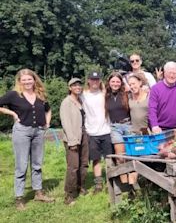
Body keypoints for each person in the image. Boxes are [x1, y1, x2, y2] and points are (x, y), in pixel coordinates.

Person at [0, 68, 54, 210]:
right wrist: (12, 113)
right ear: (19, 81)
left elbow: (48, 110)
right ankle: (19, 197)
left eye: (29, 79)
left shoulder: (40, 94)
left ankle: (38, 192)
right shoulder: (14, 95)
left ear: (34, 79)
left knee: (37, 163)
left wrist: (47, 123)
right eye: (24, 80)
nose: (27, 82)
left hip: (38, 132)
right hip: (22, 131)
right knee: (21, 165)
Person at [81, 70, 112, 194]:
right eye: (92, 79)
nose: (95, 82)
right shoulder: (83, 95)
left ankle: (111, 181)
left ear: (100, 81)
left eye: (97, 79)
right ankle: (98, 184)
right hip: (92, 132)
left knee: (110, 158)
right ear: (88, 80)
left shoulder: (105, 94)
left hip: (106, 130)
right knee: (96, 159)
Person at [60, 77, 89, 205]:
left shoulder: (80, 101)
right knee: (73, 166)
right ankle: (69, 194)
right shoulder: (67, 102)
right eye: (74, 85)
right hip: (72, 137)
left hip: (83, 134)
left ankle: (80, 186)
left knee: (84, 163)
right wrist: (72, 141)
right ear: (70, 88)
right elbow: (66, 123)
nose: (77, 87)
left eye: (79, 85)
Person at [149, 61, 176, 133]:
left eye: (174, 73)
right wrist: (154, 125)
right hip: (160, 128)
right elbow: (152, 109)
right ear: (164, 73)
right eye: (170, 73)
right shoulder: (155, 88)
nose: (172, 76)